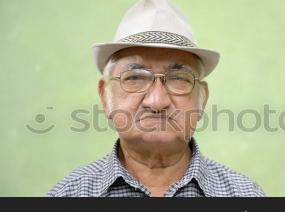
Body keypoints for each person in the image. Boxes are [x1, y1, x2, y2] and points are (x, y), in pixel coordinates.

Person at [47, 0, 265, 197]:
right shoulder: (68, 195)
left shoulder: (244, 195)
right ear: (105, 96)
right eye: (134, 78)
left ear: (202, 99)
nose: (157, 101)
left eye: (178, 78)